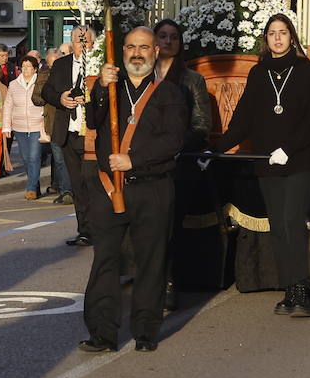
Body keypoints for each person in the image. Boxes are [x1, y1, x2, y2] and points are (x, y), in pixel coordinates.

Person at [210, 14, 310, 318]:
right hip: (267, 163)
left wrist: (288, 149)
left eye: (283, 32)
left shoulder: (307, 70)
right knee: (278, 227)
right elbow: (243, 120)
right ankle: (291, 287)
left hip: (299, 159)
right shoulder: (258, 73)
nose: (278, 38)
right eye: (272, 33)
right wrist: (214, 149)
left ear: (292, 37)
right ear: (266, 38)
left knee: (292, 222)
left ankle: (303, 290)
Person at [77, 27, 188, 353]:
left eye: (143, 47)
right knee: (105, 261)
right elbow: (95, 121)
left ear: (156, 52)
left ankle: (145, 331)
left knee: (150, 262)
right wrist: (100, 87)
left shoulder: (171, 94)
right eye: (130, 47)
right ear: (122, 52)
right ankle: (102, 333)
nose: (136, 53)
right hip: (108, 189)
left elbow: (173, 140)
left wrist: (133, 159)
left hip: (152, 189)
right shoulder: (110, 89)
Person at [153, 18, 212, 311]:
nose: (167, 41)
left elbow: (202, 125)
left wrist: (176, 145)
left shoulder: (192, 80)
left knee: (170, 228)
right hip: (142, 163)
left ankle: (169, 284)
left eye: (173, 37)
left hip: (176, 164)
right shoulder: (141, 75)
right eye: (162, 36)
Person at [41, 24, 98, 245]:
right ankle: (84, 230)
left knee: (90, 181)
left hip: (91, 135)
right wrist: (61, 98)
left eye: (86, 41)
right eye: (78, 40)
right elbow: (47, 91)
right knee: (77, 185)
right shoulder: (61, 64)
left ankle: (99, 227)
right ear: (71, 42)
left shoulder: (97, 65)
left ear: (93, 43)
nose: (82, 45)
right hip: (68, 132)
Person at [3, 56, 46, 198]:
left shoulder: (40, 83)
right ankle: (35, 183)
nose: (26, 69)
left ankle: (31, 188)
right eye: (23, 66)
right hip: (19, 126)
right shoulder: (14, 84)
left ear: (35, 69)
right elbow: (8, 106)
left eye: (29, 66)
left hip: (37, 125)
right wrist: (6, 127)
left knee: (34, 157)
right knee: (26, 158)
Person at [34, 48, 69, 198]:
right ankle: (65, 190)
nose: (54, 67)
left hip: (69, 121)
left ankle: (65, 188)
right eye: (50, 64)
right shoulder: (43, 75)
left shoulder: (69, 73)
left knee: (65, 159)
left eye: (56, 63)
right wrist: (50, 93)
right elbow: (37, 98)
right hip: (53, 123)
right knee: (60, 159)